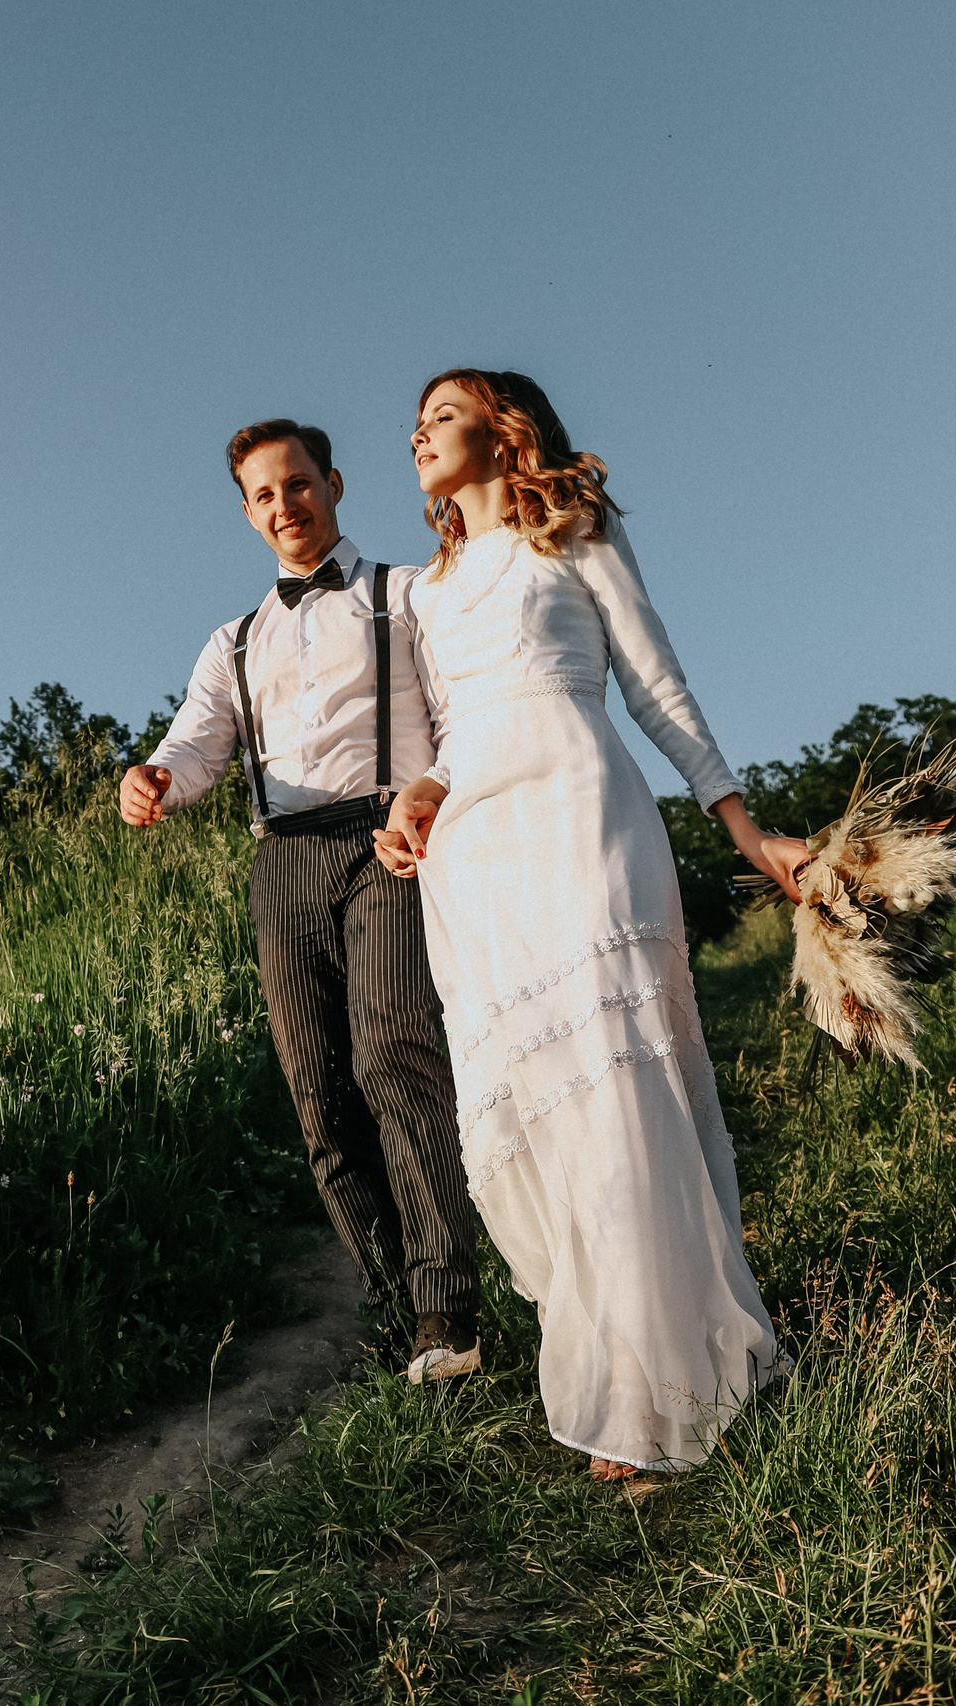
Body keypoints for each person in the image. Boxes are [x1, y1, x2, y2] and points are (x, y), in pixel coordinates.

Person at [372, 370, 803, 1477]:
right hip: (473, 853)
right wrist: (414, 799)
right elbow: (451, 735)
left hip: (582, 811)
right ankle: (615, 1344)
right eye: (416, 422)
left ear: (503, 426)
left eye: (444, 413)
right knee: (539, 1101)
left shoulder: (571, 526)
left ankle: (660, 1384)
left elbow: (655, 682)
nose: (420, 433)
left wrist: (745, 832)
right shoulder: (425, 590)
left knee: (617, 1076)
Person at [122, 418, 482, 1373]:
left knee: (395, 1056)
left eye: (299, 483)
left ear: (334, 482)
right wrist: (155, 777)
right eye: (266, 495)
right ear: (248, 515)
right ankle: (392, 1307)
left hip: (387, 845)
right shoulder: (234, 640)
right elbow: (197, 741)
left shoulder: (407, 596)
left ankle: (451, 1309)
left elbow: (464, 717)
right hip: (280, 860)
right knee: (319, 1097)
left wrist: (429, 796)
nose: (287, 505)